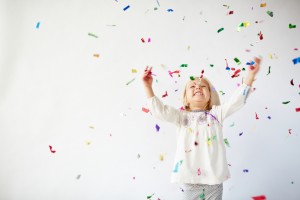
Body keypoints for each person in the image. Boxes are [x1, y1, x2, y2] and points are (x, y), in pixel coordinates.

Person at [142, 57, 261, 200]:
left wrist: (250, 76)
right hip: (189, 180)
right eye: (192, 86)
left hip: (214, 182)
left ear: (210, 96)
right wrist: (148, 87)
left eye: (203, 86)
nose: (198, 87)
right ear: (185, 99)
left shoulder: (216, 114)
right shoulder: (180, 117)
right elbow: (159, 111)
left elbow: (236, 101)